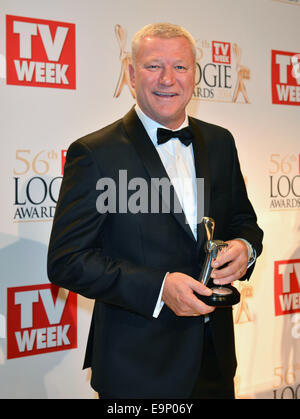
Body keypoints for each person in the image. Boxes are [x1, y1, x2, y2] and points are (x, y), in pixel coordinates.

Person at [47, 23, 263, 399]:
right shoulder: (96, 153)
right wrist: (160, 288)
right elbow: (67, 260)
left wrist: (245, 247)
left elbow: (244, 220)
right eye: (153, 66)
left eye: (180, 67)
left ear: (194, 74)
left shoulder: (220, 141)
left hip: (214, 360)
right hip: (137, 369)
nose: (168, 79)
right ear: (131, 74)